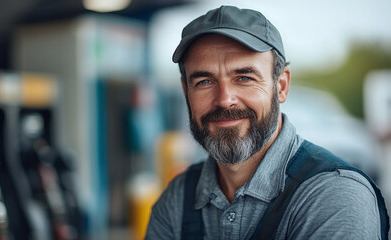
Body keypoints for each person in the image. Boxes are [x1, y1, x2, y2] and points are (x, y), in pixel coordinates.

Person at [145, 5, 389, 240]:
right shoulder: (177, 199)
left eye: (244, 77)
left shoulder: (335, 196)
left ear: (281, 86)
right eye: (204, 82)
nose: (224, 100)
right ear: (185, 91)